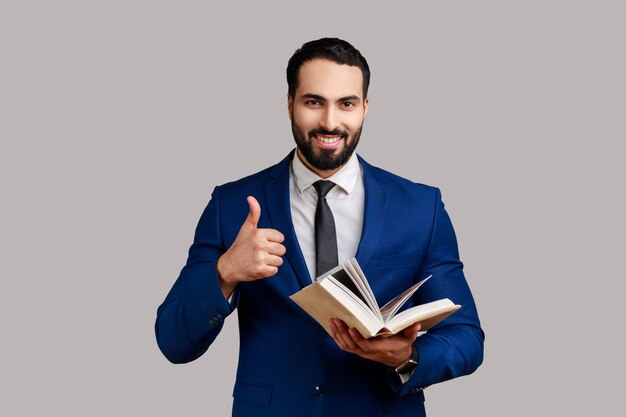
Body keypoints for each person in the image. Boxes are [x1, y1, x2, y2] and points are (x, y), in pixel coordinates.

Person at [155, 37, 484, 417]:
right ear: (290, 104)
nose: (330, 122)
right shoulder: (231, 205)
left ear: (364, 107)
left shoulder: (420, 207)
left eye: (346, 104)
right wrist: (225, 273)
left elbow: (468, 339)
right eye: (314, 102)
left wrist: (408, 356)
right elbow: (172, 341)